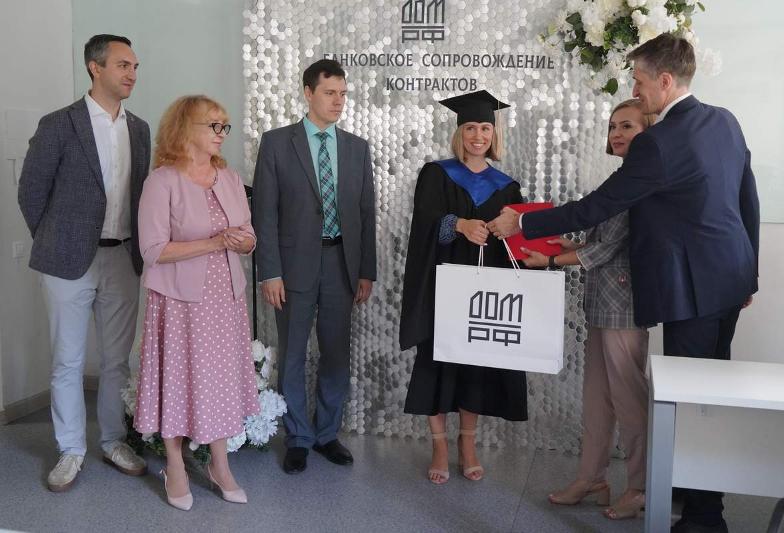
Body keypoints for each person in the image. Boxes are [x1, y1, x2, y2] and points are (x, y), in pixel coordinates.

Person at [489, 34, 759, 533]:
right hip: (730, 279)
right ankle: (687, 487)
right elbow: (747, 196)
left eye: (638, 80)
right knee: (708, 397)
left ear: (664, 80)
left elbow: (600, 205)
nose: (635, 90)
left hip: (691, 290)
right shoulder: (724, 120)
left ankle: (705, 517)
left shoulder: (658, 141)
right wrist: (751, 272)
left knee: (690, 402)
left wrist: (523, 223)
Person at [18, 34, 150, 492]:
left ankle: (113, 441)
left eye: (135, 66)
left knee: (116, 362)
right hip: (66, 260)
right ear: (95, 67)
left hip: (123, 258)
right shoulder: (59, 124)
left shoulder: (139, 129)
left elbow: (140, 194)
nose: (132, 73)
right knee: (67, 361)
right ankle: (70, 449)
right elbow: (31, 192)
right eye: (123, 65)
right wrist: (56, 240)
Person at [520, 99, 655, 519]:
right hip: (600, 301)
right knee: (596, 399)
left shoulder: (644, 180)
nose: (617, 133)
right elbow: (604, 243)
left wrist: (552, 260)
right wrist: (571, 244)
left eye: (627, 126)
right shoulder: (622, 177)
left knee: (629, 401)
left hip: (625, 306)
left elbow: (611, 248)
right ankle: (591, 478)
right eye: (613, 126)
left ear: (649, 131)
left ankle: (640, 487)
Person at [252, 59, 377, 475]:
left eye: (343, 94)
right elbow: (265, 213)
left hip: (342, 262)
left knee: (336, 353)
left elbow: (366, 213)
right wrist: (270, 271)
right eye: (329, 93)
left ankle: (326, 434)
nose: (338, 101)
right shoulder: (277, 143)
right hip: (292, 266)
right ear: (308, 93)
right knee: (293, 354)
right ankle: (298, 438)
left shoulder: (357, 148)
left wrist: (366, 270)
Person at [135, 95, 259, 510]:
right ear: (186, 128)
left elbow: (248, 234)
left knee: (218, 381)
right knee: (177, 380)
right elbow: (153, 250)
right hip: (178, 301)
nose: (222, 134)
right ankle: (175, 464)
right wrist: (215, 242)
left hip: (225, 298)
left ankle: (220, 465)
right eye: (214, 126)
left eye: (225, 126)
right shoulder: (162, 181)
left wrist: (244, 242)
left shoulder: (229, 177)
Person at [400, 90, 528, 484]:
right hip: (442, 286)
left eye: (485, 128)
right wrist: (458, 224)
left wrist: (508, 230)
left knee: (475, 362)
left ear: (494, 133)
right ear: (459, 132)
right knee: (437, 361)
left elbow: (517, 239)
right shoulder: (436, 174)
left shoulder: (506, 186)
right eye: (470, 127)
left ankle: (467, 443)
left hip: (485, 290)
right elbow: (424, 223)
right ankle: (439, 445)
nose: (478, 136)